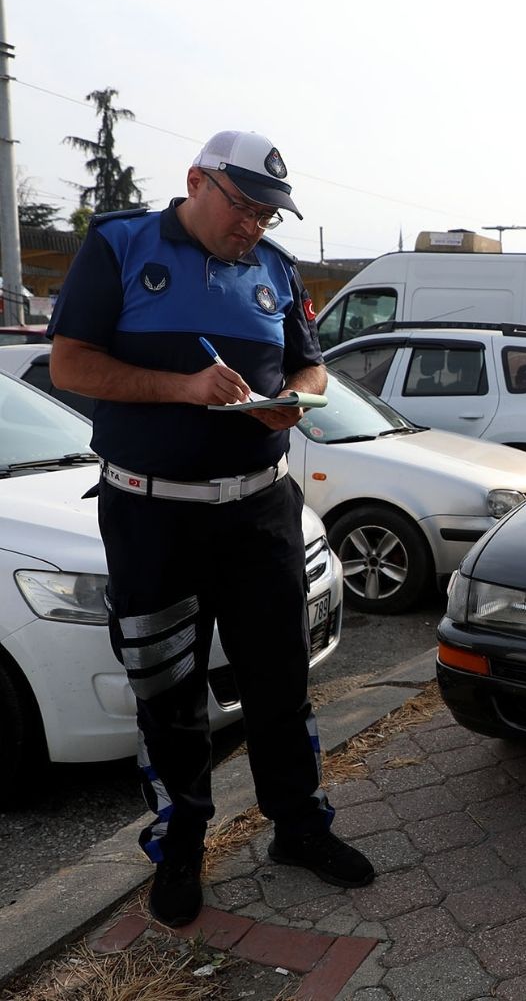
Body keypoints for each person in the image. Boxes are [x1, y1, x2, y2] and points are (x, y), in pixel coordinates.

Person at [47, 130, 374, 928]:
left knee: (281, 682)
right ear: (197, 180)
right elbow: (70, 364)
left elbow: (312, 363)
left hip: (262, 508)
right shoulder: (120, 245)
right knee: (168, 693)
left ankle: (298, 828)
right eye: (245, 207)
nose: (254, 226)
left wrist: (293, 396)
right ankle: (182, 848)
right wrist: (184, 387)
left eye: (268, 214)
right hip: (152, 516)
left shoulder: (276, 267)